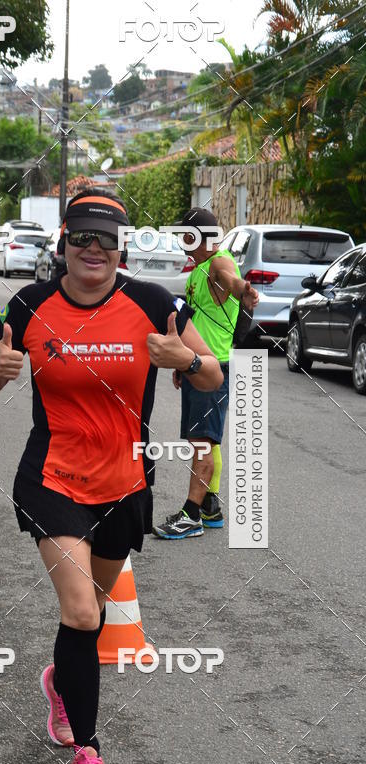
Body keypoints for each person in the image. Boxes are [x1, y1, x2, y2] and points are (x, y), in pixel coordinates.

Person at [0, 189, 223, 764]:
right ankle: (88, 756)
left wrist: (184, 361)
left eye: (107, 239)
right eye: (83, 236)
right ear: (64, 243)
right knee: (83, 614)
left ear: (122, 248)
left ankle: (61, 681)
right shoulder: (30, 303)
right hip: (52, 477)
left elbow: (214, 372)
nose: (94, 249)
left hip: (126, 482)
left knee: (94, 611)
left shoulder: (152, 302)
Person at [152, 208, 259, 539]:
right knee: (204, 438)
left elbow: (231, 279)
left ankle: (192, 514)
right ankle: (211, 506)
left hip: (216, 366)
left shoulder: (217, 262)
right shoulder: (197, 270)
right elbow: (194, 321)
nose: (181, 241)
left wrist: (243, 290)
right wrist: (184, 362)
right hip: (197, 364)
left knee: (202, 440)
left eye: (185, 235)